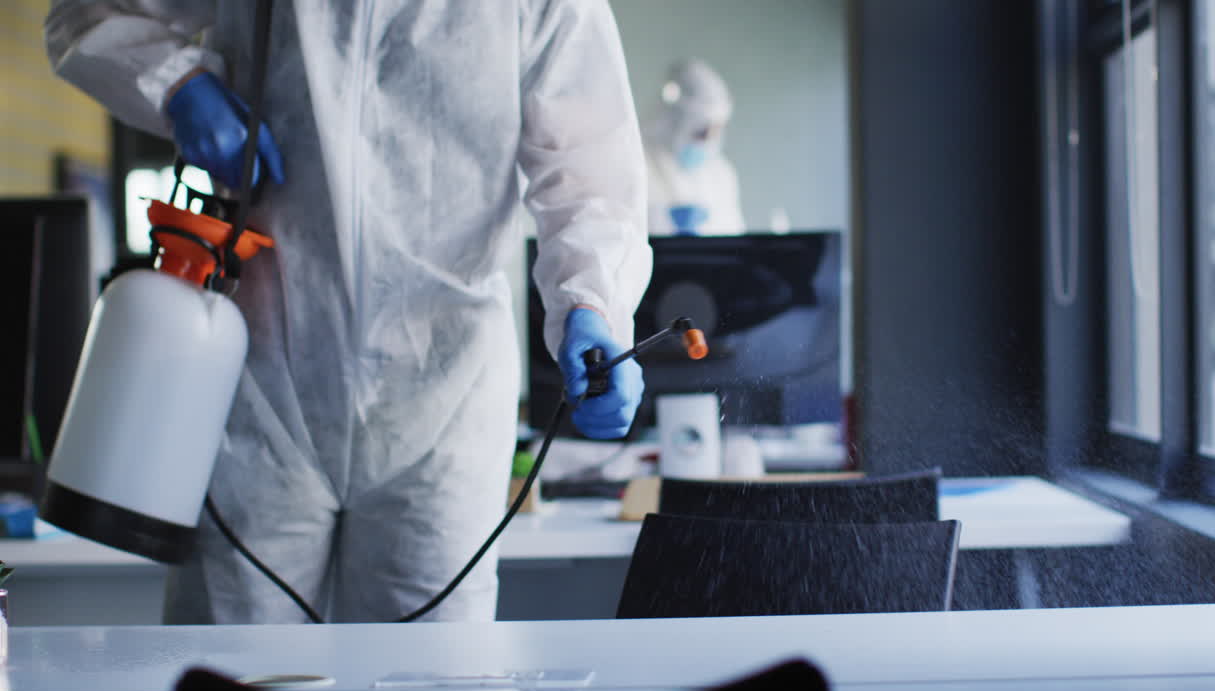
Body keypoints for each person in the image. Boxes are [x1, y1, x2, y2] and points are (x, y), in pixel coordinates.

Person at [45, 0, 651, 624]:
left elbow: (590, 173)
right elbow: (86, 15)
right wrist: (178, 84)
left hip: (446, 393)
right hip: (257, 379)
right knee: (236, 677)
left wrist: (592, 304)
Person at [645, 58, 746, 236]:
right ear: (673, 123)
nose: (707, 141)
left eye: (715, 131)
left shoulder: (722, 174)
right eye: (701, 131)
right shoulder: (638, 162)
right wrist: (659, 219)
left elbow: (736, 238)